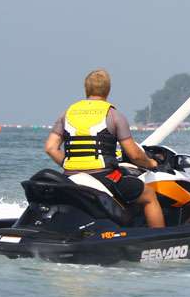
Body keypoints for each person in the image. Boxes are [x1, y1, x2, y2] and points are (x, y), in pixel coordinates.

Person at [44, 69, 166, 228]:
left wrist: (71, 165)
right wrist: (151, 163)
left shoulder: (67, 114)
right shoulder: (113, 115)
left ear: (86, 89)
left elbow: (50, 148)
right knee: (148, 195)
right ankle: (158, 237)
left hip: (70, 178)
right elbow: (134, 155)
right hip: (104, 178)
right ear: (108, 90)